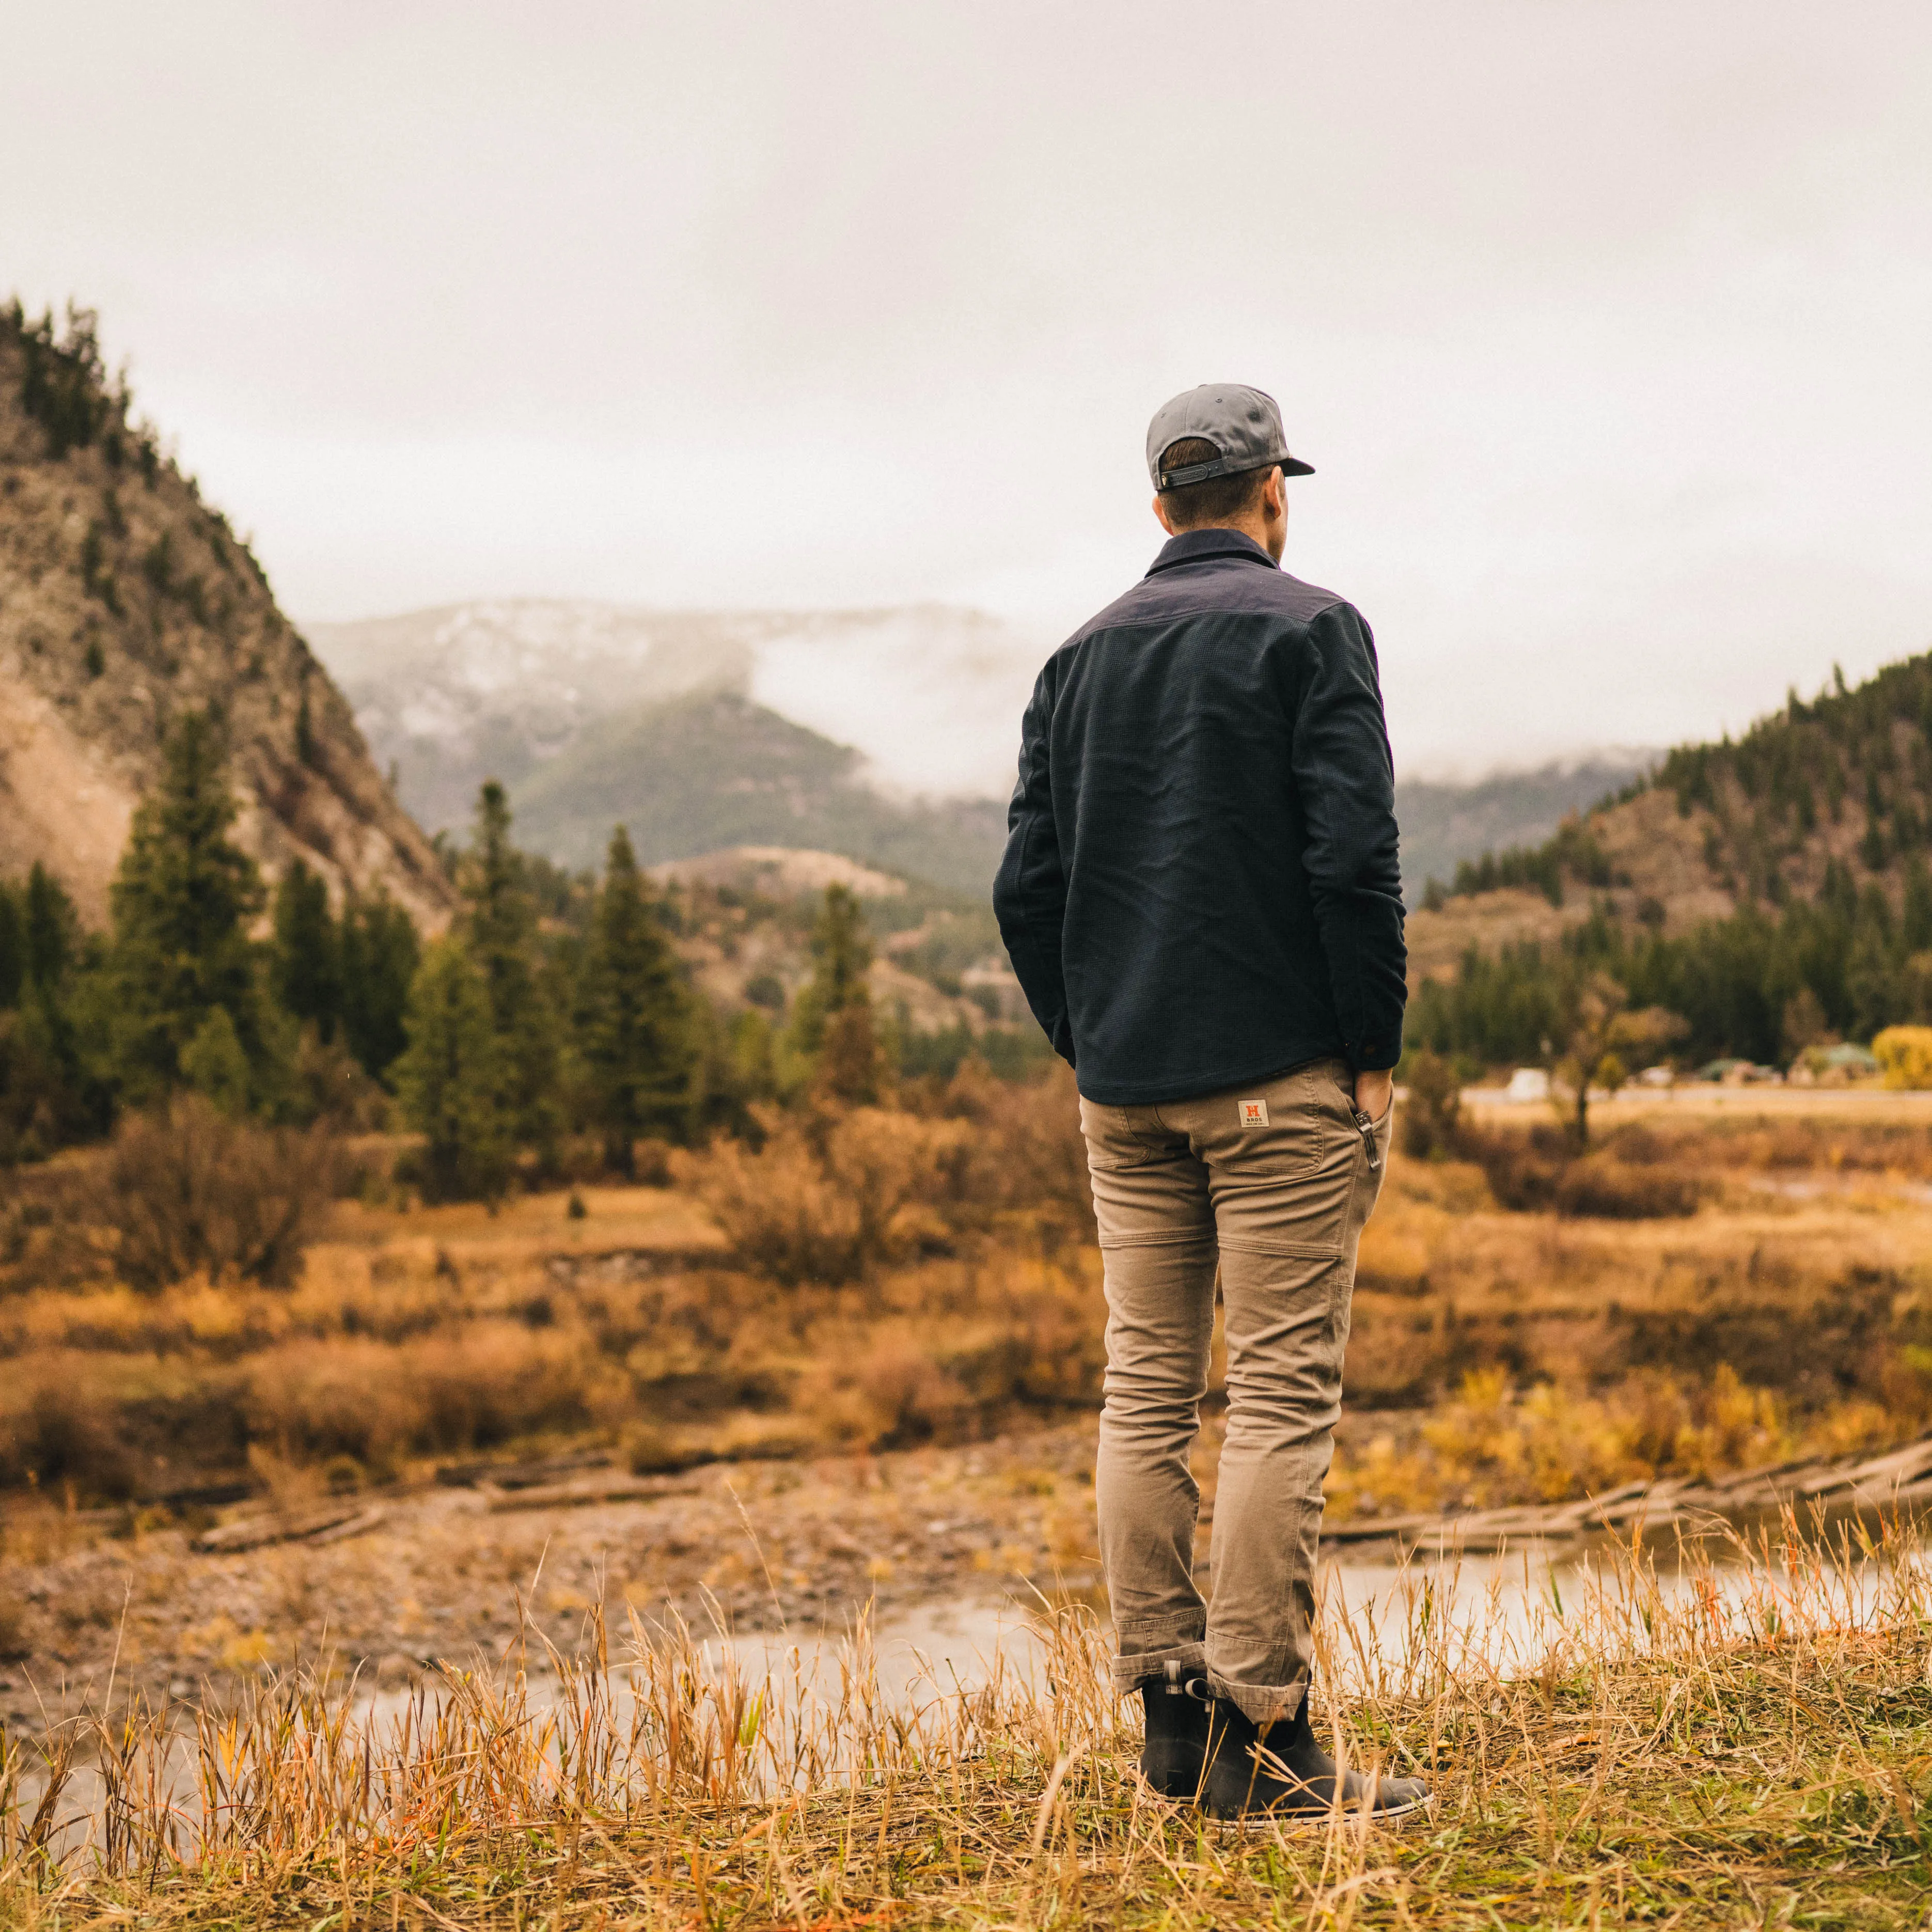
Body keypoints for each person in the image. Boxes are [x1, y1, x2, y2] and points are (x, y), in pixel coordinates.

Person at [993, 383, 1425, 1824]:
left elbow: (1025, 889)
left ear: (1161, 505)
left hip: (1127, 1092)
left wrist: (1091, 1039)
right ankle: (1264, 1726)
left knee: (1144, 1391)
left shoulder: (1074, 661)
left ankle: (1168, 1721)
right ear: (1271, 493)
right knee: (1279, 1392)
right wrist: (1370, 1050)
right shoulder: (1311, 630)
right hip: (1281, 1084)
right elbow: (1351, 862)